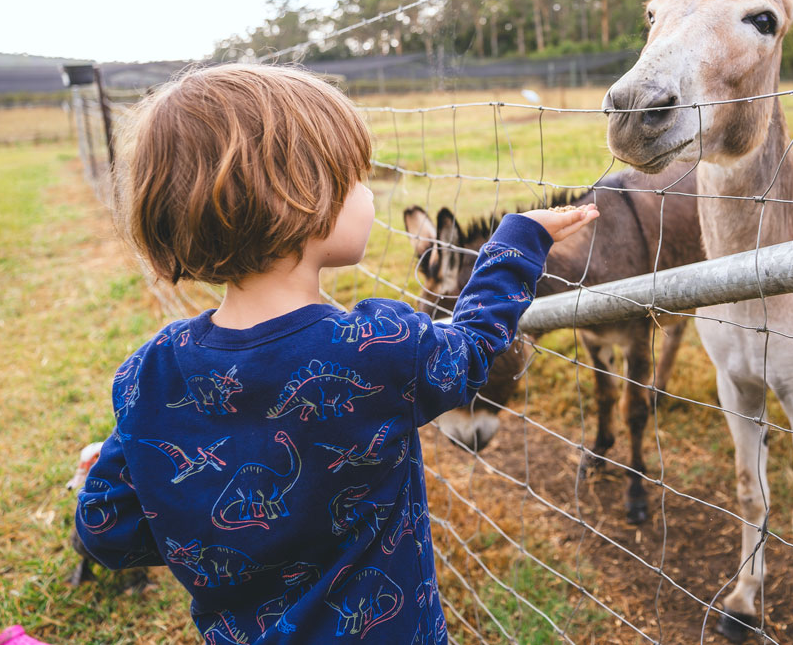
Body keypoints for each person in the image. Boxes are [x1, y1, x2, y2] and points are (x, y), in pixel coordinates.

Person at [75, 64, 598, 643]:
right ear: (296, 202)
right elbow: (472, 349)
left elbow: (110, 531)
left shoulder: (150, 374)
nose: (370, 192)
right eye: (355, 178)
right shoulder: (374, 348)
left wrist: (128, 481)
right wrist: (515, 242)